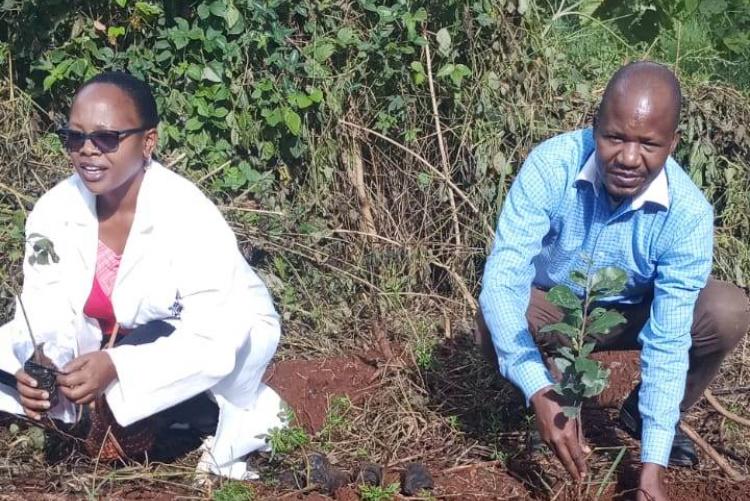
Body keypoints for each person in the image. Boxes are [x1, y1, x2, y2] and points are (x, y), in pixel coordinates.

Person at [477, 61, 750, 501]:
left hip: (629, 312)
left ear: (673, 144)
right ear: (595, 127)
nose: (627, 157)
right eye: (615, 137)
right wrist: (537, 388)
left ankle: (642, 420)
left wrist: (651, 468)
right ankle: (541, 399)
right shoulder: (552, 166)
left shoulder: (688, 214)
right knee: (500, 305)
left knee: (726, 310)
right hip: (553, 306)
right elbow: (504, 280)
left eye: (648, 144)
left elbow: (669, 337)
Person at [0, 71, 284, 479]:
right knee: (14, 361)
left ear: (147, 141)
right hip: (110, 338)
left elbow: (214, 334)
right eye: (74, 137)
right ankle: (104, 412)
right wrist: (42, 361)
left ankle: (198, 413)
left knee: (149, 364)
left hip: (212, 332)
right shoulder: (54, 209)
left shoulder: (187, 212)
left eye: (106, 138)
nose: (87, 151)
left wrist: (118, 367)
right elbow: (44, 303)